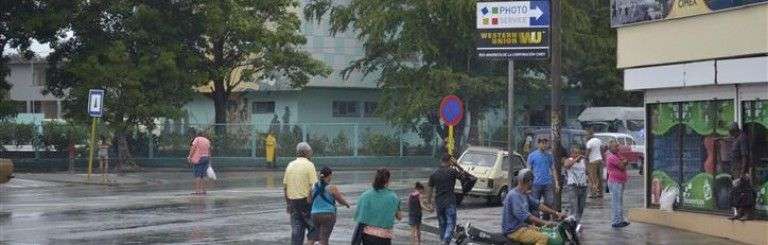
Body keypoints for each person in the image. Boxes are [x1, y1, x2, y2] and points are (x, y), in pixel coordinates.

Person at [503, 169, 566, 245]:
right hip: (514, 231)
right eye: (532, 181)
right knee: (543, 238)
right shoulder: (514, 195)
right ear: (529, 181)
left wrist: (556, 213)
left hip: (523, 227)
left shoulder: (524, 194)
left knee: (546, 231)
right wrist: (545, 222)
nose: (532, 184)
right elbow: (525, 216)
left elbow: (538, 205)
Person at [354, 168, 402, 245]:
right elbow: (399, 217)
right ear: (388, 180)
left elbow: (360, 217)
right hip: (384, 236)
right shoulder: (393, 197)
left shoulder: (365, 196)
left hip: (368, 236)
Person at [427, 154, 467, 244]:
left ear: (441, 161)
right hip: (450, 202)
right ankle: (445, 241)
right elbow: (464, 176)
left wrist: (429, 203)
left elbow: (429, 189)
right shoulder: (452, 171)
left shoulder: (434, 174)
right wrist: (457, 165)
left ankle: (443, 241)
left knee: (442, 224)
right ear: (450, 161)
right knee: (451, 224)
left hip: (439, 203)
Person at [283, 142, 318, 245]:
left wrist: (288, 204)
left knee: (297, 231)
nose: (311, 154)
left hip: (293, 202)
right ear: (306, 153)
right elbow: (314, 187)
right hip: (306, 202)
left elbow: (285, 187)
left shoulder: (290, 165)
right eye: (310, 152)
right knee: (314, 228)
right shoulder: (309, 165)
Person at [307, 166, 350, 245]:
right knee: (324, 239)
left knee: (312, 237)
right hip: (328, 215)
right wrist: (347, 204)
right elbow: (340, 200)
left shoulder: (312, 187)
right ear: (329, 175)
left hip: (314, 215)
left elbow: (309, 201)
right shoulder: (332, 188)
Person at [526, 138, 556, 220]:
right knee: (535, 204)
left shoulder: (549, 155)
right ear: (538, 144)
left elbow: (553, 169)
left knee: (549, 202)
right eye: (542, 143)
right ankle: (537, 222)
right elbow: (528, 170)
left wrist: (556, 182)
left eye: (546, 143)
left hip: (547, 183)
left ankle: (546, 221)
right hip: (535, 183)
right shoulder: (532, 155)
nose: (544, 145)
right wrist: (528, 184)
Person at [606, 140, 630, 228]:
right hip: (615, 182)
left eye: (618, 146)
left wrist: (624, 162)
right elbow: (622, 166)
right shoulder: (610, 156)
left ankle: (620, 219)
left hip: (620, 181)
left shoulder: (617, 155)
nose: (618, 148)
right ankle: (616, 221)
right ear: (610, 148)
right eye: (615, 146)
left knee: (619, 201)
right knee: (616, 202)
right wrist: (623, 162)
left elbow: (626, 161)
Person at [563, 146, 588, 231]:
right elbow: (566, 165)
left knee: (581, 208)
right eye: (575, 153)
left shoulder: (583, 161)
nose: (577, 154)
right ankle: (573, 226)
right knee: (574, 207)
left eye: (579, 153)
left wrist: (593, 184)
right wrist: (575, 160)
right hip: (573, 187)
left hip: (583, 187)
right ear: (572, 154)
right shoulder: (569, 160)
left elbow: (587, 172)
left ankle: (576, 224)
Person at [187, 131, 211, 195]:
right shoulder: (207, 140)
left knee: (198, 175)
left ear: (197, 135)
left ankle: (198, 191)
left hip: (199, 158)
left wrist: (190, 156)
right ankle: (204, 190)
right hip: (206, 158)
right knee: (204, 175)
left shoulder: (197, 139)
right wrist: (209, 160)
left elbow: (193, 148)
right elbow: (209, 151)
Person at [585, 129, 605, 198]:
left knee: (593, 178)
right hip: (600, 160)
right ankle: (600, 193)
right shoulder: (599, 140)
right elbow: (602, 150)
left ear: (589, 135)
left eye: (586, 135)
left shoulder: (589, 142)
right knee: (600, 178)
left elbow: (587, 154)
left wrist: (586, 163)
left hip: (592, 161)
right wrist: (603, 159)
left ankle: (593, 193)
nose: (586, 136)